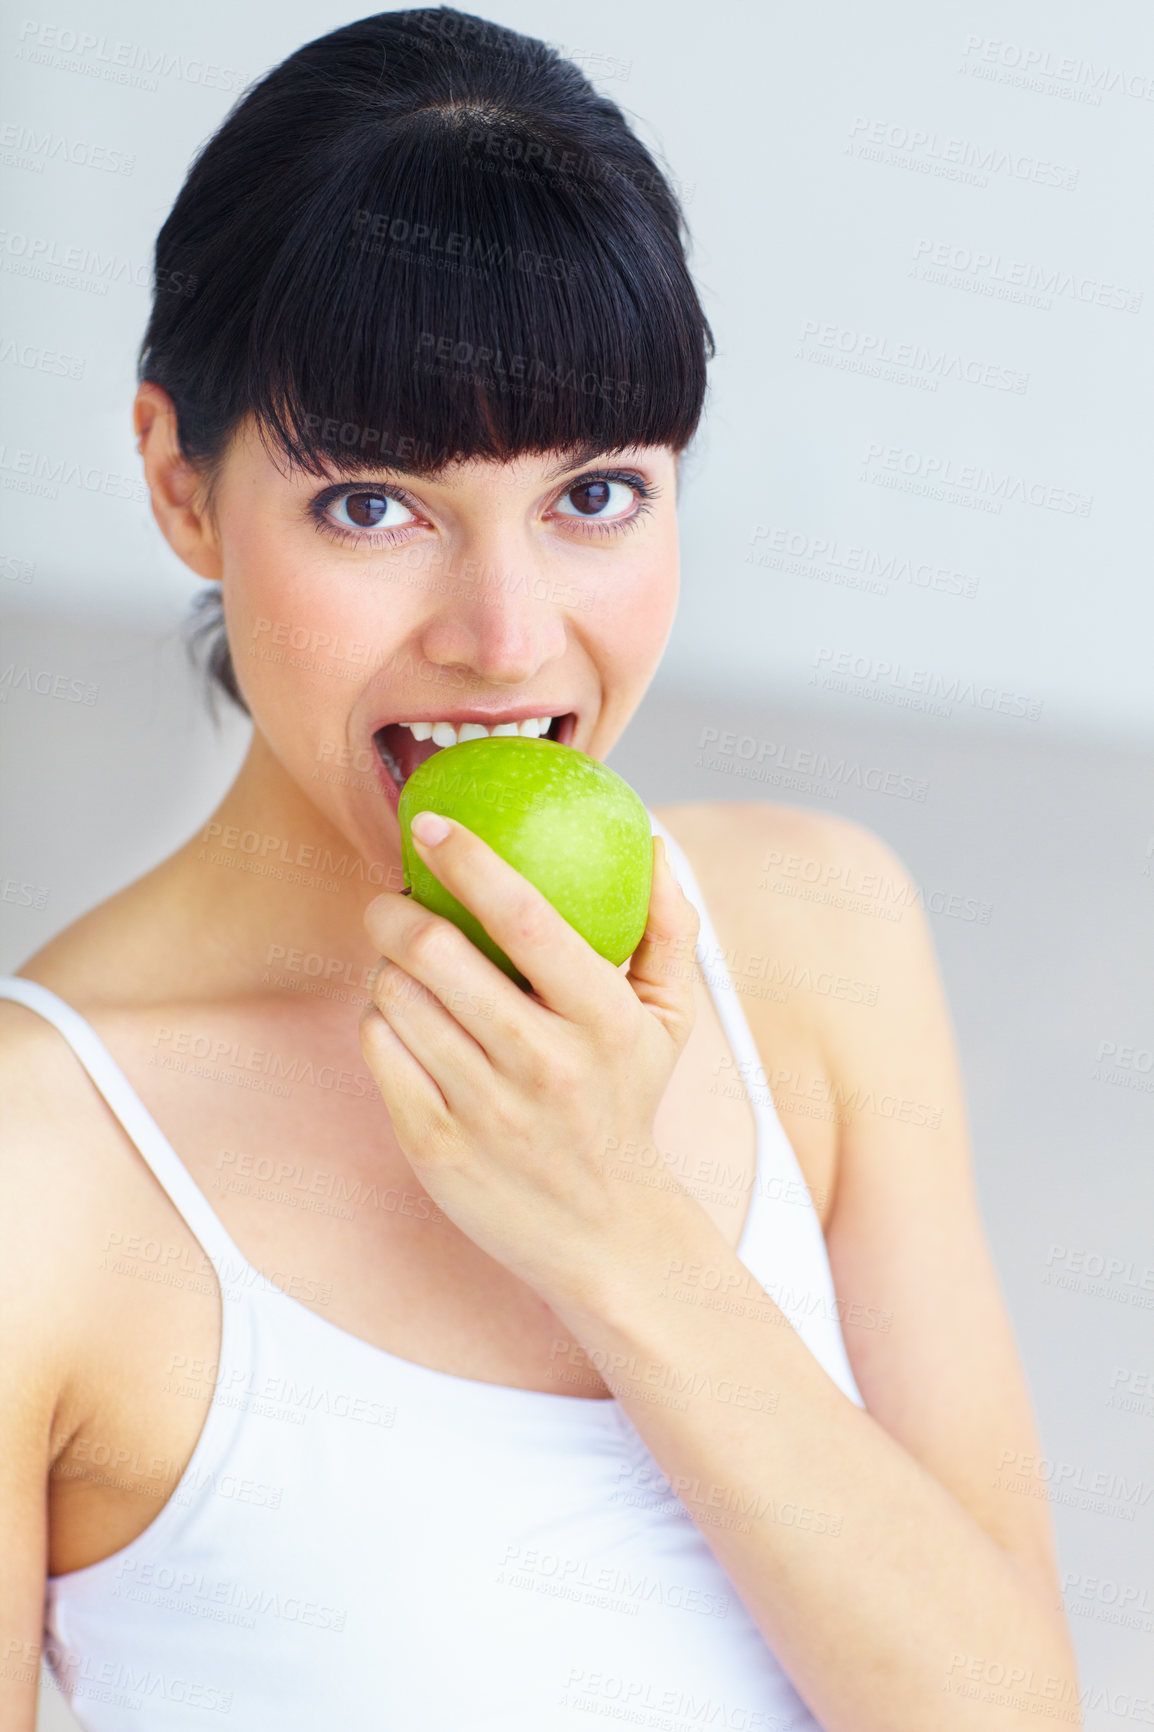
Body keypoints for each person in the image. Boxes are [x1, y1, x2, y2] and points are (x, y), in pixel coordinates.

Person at [0, 9, 1080, 1729]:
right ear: (176, 484)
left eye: (594, 492)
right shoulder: (35, 1169)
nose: (505, 643)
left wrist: (616, 1230)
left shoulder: (816, 937)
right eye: (374, 504)